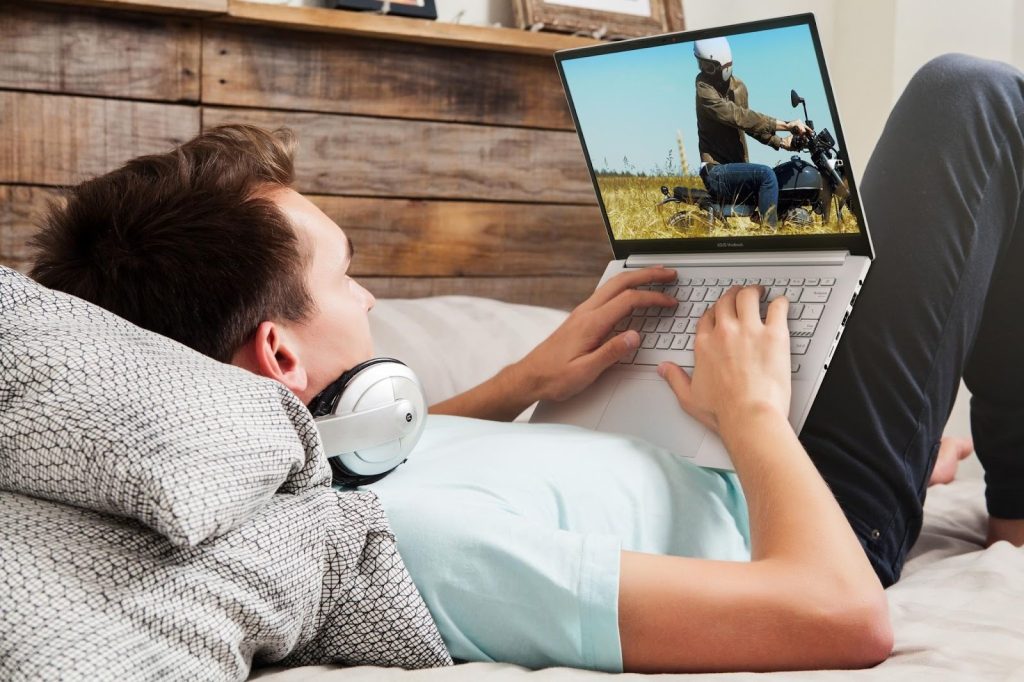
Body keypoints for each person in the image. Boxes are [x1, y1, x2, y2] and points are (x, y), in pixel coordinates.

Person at [26, 53, 1023, 673]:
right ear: (280, 351)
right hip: (799, 509)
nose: (371, 301)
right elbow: (840, 616)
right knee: (968, 102)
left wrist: (529, 378)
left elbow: (399, 457)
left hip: (728, 432)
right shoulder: (418, 544)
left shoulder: (310, 467)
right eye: (348, 275)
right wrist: (759, 418)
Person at [693, 36, 813, 230]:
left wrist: (781, 142)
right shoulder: (703, 89)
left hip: (737, 169)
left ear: (724, 65)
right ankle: (769, 237)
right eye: (700, 64)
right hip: (716, 171)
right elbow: (737, 116)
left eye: (708, 66)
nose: (702, 70)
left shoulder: (739, 88)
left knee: (778, 176)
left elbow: (749, 124)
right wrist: (786, 124)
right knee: (766, 175)